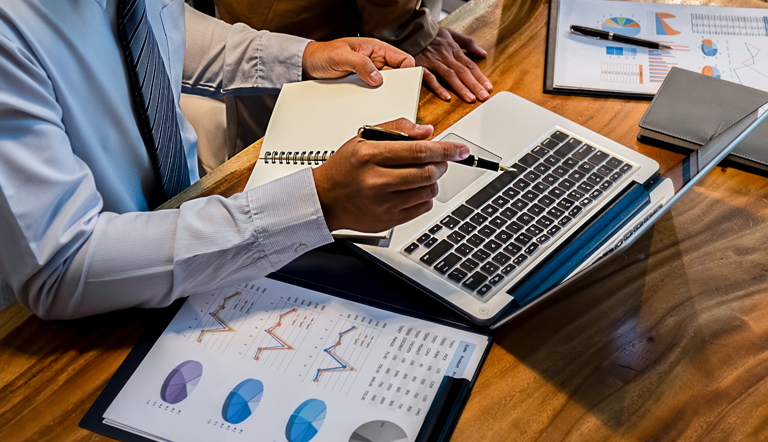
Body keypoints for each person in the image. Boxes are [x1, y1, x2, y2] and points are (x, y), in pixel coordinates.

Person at [0, 0, 468, 320]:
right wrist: (319, 202)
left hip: (192, 222)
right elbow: (62, 267)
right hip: (96, 308)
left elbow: (162, 22)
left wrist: (300, 55)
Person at [215, 0, 493, 151]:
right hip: (297, 18)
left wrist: (418, 24)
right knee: (275, 150)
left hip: (396, 15)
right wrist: (410, 32)